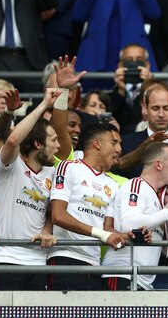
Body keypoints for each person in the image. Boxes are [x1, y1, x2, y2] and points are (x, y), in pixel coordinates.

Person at [0, 88, 61, 290]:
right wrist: (44, 104)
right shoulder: (10, 166)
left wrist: (46, 231)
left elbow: (50, 213)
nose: (58, 146)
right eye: (53, 140)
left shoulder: (52, 174)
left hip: (38, 263)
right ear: (37, 143)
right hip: (4, 259)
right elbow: (11, 139)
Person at [49, 122, 130, 290]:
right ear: (97, 144)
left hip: (94, 265)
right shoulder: (69, 168)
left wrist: (128, 235)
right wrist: (101, 234)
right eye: (114, 143)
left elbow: (108, 229)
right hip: (66, 258)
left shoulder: (113, 185)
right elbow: (58, 215)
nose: (119, 149)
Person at [102, 142, 168, 290]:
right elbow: (130, 225)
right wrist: (167, 213)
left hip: (142, 282)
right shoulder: (136, 185)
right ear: (158, 165)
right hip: (122, 275)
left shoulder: (158, 200)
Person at [120, 85, 168, 178]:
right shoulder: (126, 144)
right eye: (155, 108)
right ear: (145, 108)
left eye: (166, 108)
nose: (161, 114)